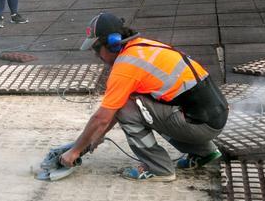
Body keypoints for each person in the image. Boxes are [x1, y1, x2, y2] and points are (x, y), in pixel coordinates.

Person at [60, 12, 228, 181]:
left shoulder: (126, 67)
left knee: (128, 109)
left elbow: (103, 117)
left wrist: (74, 151)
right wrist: (95, 137)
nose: (97, 56)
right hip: (212, 118)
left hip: (199, 126)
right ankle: (205, 152)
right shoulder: (142, 46)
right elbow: (108, 117)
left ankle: (159, 168)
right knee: (139, 106)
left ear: (112, 44)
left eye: (96, 49)